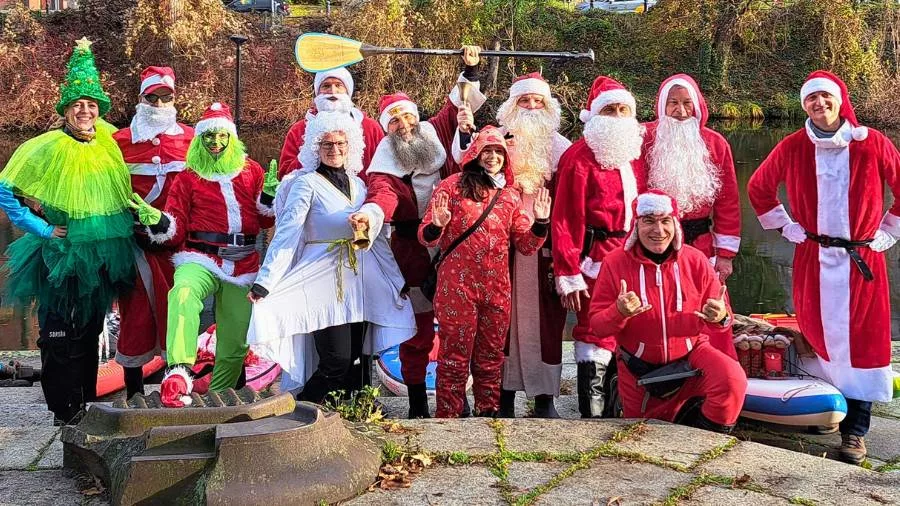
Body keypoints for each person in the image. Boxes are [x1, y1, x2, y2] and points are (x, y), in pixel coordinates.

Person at [747, 70, 900, 465]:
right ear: (804, 106)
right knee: (817, 333)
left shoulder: (871, 143)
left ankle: (855, 432)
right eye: (811, 99)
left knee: (863, 340)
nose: (819, 104)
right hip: (813, 258)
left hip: (862, 261)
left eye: (825, 97)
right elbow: (759, 188)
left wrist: (888, 231)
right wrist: (787, 226)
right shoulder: (794, 146)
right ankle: (826, 410)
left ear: (840, 100)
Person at [0, 38, 135, 424]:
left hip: (103, 250)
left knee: (91, 328)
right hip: (59, 250)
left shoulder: (108, 140)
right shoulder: (45, 146)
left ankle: (87, 402)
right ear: (66, 109)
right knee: (57, 329)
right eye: (78, 105)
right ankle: (63, 408)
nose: (85, 111)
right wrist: (39, 227)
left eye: (92, 105)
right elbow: (4, 190)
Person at [348, 46, 486, 418]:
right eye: (395, 122)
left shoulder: (434, 131)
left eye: (408, 117)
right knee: (419, 331)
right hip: (411, 254)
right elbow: (382, 198)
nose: (405, 126)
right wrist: (369, 217)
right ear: (386, 129)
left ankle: (458, 396)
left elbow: (457, 102)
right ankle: (416, 403)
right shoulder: (383, 163)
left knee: (461, 327)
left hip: (454, 248)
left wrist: (470, 69)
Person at [246, 111, 416, 404]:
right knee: (335, 360)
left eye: (340, 143)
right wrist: (265, 282)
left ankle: (341, 415)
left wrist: (396, 280)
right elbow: (286, 235)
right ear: (316, 147)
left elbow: (376, 241)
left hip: (359, 281)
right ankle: (300, 410)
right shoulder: (306, 184)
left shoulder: (360, 186)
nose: (334, 150)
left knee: (356, 358)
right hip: (320, 280)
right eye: (327, 144)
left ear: (350, 147)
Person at [129, 102, 277, 408]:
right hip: (200, 258)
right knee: (182, 292)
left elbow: (265, 220)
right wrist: (157, 220)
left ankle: (216, 399)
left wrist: (269, 198)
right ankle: (179, 371)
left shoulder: (252, 171)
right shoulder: (188, 177)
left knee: (235, 345)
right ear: (200, 140)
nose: (216, 143)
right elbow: (176, 227)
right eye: (209, 137)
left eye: (222, 136)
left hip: (244, 264)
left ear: (231, 139)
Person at [418, 126, 551, 418]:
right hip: (457, 288)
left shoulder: (510, 196)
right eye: (487, 151)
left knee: (491, 358)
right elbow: (426, 237)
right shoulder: (452, 186)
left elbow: (526, 245)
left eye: (498, 152)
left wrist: (541, 223)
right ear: (475, 154)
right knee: (454, 358)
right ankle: (448, 419)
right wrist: (438, 224)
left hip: (496, 289)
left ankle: (489, 420)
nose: (492, 157)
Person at [589, 190, 747, 433]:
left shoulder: (695, 260)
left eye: (665, 221)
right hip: (640, 370)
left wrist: (721, 317)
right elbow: (598, 327)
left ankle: (707, 441)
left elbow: (723, 321)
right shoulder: (614, 262)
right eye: (649, 221)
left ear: (675, 224)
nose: (659, 231)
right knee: (642, 440)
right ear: (636, 225)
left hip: (691, 357)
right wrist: (618, 312)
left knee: (732, 380)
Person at [551, 75, 646, 418]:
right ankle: (591, 415)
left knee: (628, 326)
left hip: (631, 255)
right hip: (593, 258)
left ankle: (618, 408)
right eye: (610, 109)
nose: (618, 116)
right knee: (594, 329)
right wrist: (568, 271)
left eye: (624, 109)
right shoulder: (578, 157)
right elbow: (565, 218)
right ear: (594, 115)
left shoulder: (633, 153)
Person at [478, 73, 571, 418]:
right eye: (524, 101)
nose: (531, 108)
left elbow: (572, 204)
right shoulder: (495, 146)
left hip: (546, 245)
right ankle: (502, 396)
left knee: (547, 323)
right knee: (499, 322)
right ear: (510, 106)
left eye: (538, 102)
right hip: (504, 246)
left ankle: (545, 397)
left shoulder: (562, 149)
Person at [640, 74, 741, 358]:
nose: (681, 111)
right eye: (673, 103)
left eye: (687, 103)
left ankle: (716, 371)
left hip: (701, 244)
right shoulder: (645, 138)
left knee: (712, 309)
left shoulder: (715, 143)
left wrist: (725, 255)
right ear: (661, 106)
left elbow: (728, 201)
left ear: (697, 106)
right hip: (654, 240)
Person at [112, 66, 194, 398]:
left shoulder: (192, 139)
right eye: (153, 96)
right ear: (141, 99)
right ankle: (133, 392)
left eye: (166, 96)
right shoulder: (119, 142)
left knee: (180, 311)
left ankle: (176, 384)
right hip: (136, 244)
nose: (160, 103)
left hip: (180, 243)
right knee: (136, 314)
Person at [278, 67, 384, 179]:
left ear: (348, 91)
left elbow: (383, 174)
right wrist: (308, 152)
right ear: (317, 93)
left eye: (338, 85)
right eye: (326, 86)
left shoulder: (371, 128)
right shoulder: (299, 130)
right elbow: (285, 176)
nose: (333, 91)